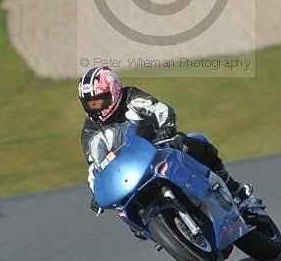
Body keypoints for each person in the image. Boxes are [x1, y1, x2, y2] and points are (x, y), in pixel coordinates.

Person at [79, 66, 255, 213]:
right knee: (124, 207)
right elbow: (94, 168)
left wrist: (166, 129)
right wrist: (96, 193)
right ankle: (153, 227)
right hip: (129, 176)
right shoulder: (90, 132)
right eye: (90, 103)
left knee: (195, 144)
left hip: (158, 149)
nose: (95, 108)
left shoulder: (130, 97)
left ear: (114, 91)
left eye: (99, 101)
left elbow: (161, 109)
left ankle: (234, 189)